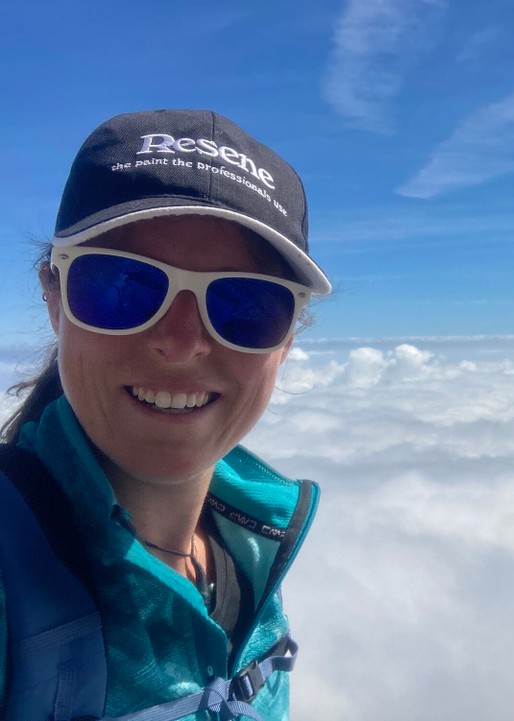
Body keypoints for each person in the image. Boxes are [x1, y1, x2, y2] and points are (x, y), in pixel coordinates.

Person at [0, 109, 332, 720]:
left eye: (245, 304)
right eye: (122, 286)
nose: (181, 342)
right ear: (55, 299)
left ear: (286, 340)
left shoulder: (252, 546)